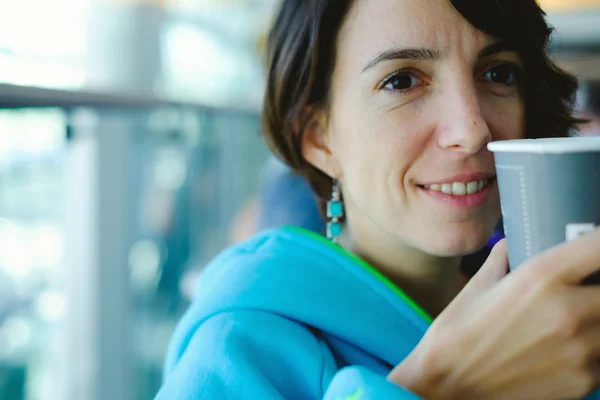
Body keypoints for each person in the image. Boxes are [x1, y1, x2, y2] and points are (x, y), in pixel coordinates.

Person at [155, 0, 600, 399]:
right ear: (318, 139)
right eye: (402, 81)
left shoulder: (561, 308)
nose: (472, 131)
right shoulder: (236, 351)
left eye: (497, 73)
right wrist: (443, 389)